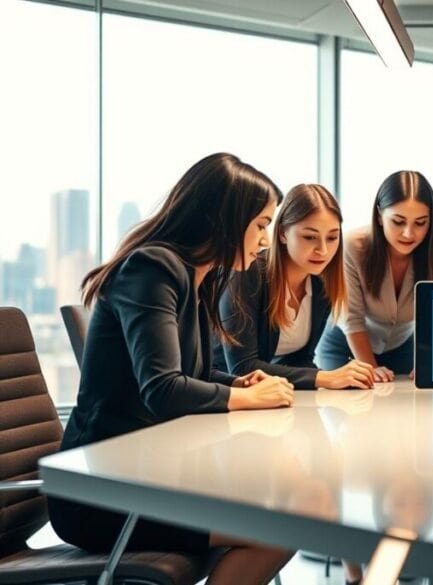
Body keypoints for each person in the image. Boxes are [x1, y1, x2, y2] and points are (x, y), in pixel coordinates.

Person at [49, 153, 296, 585]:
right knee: (279, 527)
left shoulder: (197, 276)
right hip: (101, 494)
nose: (264, 241)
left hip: (148, 474)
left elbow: (191, 374)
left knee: (286, 509)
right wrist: (244, 398)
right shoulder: (152, 267)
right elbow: (162, 389)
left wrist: (239, 382)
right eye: (261, 225)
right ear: (224, 219)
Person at [216, 183, 374, 391]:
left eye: (332, 237)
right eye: (309, 237)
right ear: (282, 234)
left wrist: (342, 380)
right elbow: (242, 367)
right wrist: (325, 377)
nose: (323, 250)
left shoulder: (322, 283)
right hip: (217, 392)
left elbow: (301, 360)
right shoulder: (247, 272)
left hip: (263, 398)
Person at [316, 171, 433, 382]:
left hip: (403, 348)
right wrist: (369, 367)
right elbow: (352, 319)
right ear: (379, 216)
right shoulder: (353, 245)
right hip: (345, 348)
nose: (409, 233)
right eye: (398, 221)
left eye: (421, 223)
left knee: (406, 412)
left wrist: (427, 360)